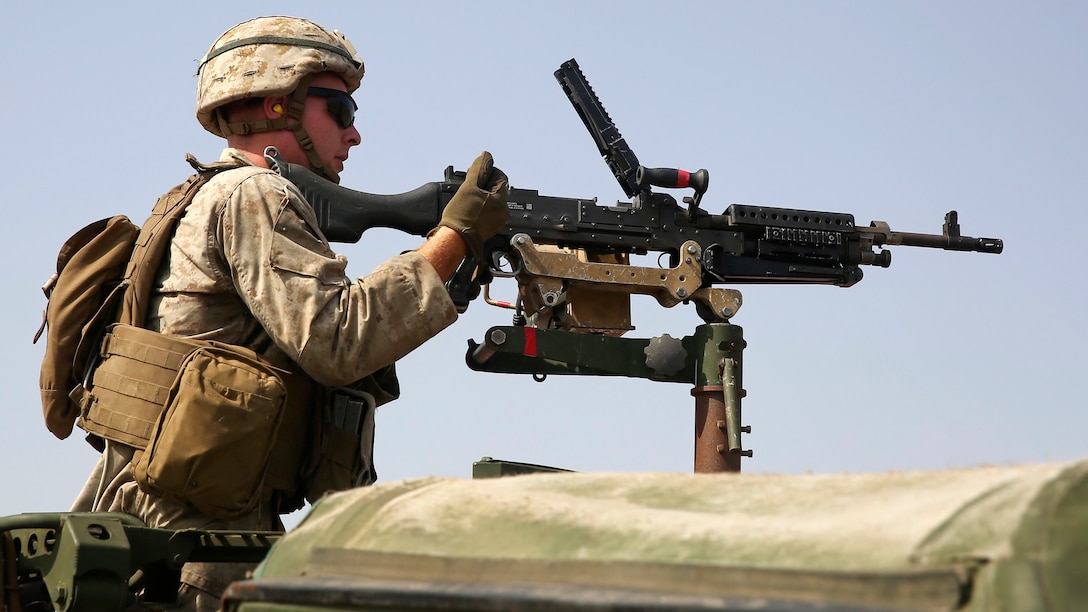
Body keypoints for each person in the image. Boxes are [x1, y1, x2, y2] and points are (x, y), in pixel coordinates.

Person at [69, 15, 508, 610]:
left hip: (177, 533)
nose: (355, 136)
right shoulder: (255, 195)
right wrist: (453, 237)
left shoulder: (196, 196)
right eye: (342, 112)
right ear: (279, 105)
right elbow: (335, 339)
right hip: (198, 552)